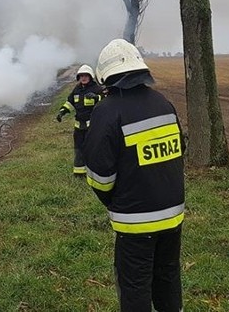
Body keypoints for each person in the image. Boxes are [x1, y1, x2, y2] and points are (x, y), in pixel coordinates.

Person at [83, 39, 185, 312]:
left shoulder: (107, 111)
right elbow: (178, 152)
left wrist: (116, 202)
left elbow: (99, 177)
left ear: (105, 76)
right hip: (173, 214)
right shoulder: (163, 103)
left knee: (135, 285)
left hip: (135, 222)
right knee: (168, 278)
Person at [56, 64, 104, 176]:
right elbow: (70, 102)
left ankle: (95, 171)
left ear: (90, 76)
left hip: (92, 126)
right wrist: (62, 111)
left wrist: (97, 98)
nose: (83, 78)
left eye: (86, 76)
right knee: (79, 149)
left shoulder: (97, 89)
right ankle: (79, 172)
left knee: (93, 149)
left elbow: (106, 102)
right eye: (81, 76)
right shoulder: (76, 90)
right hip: (79, 127)